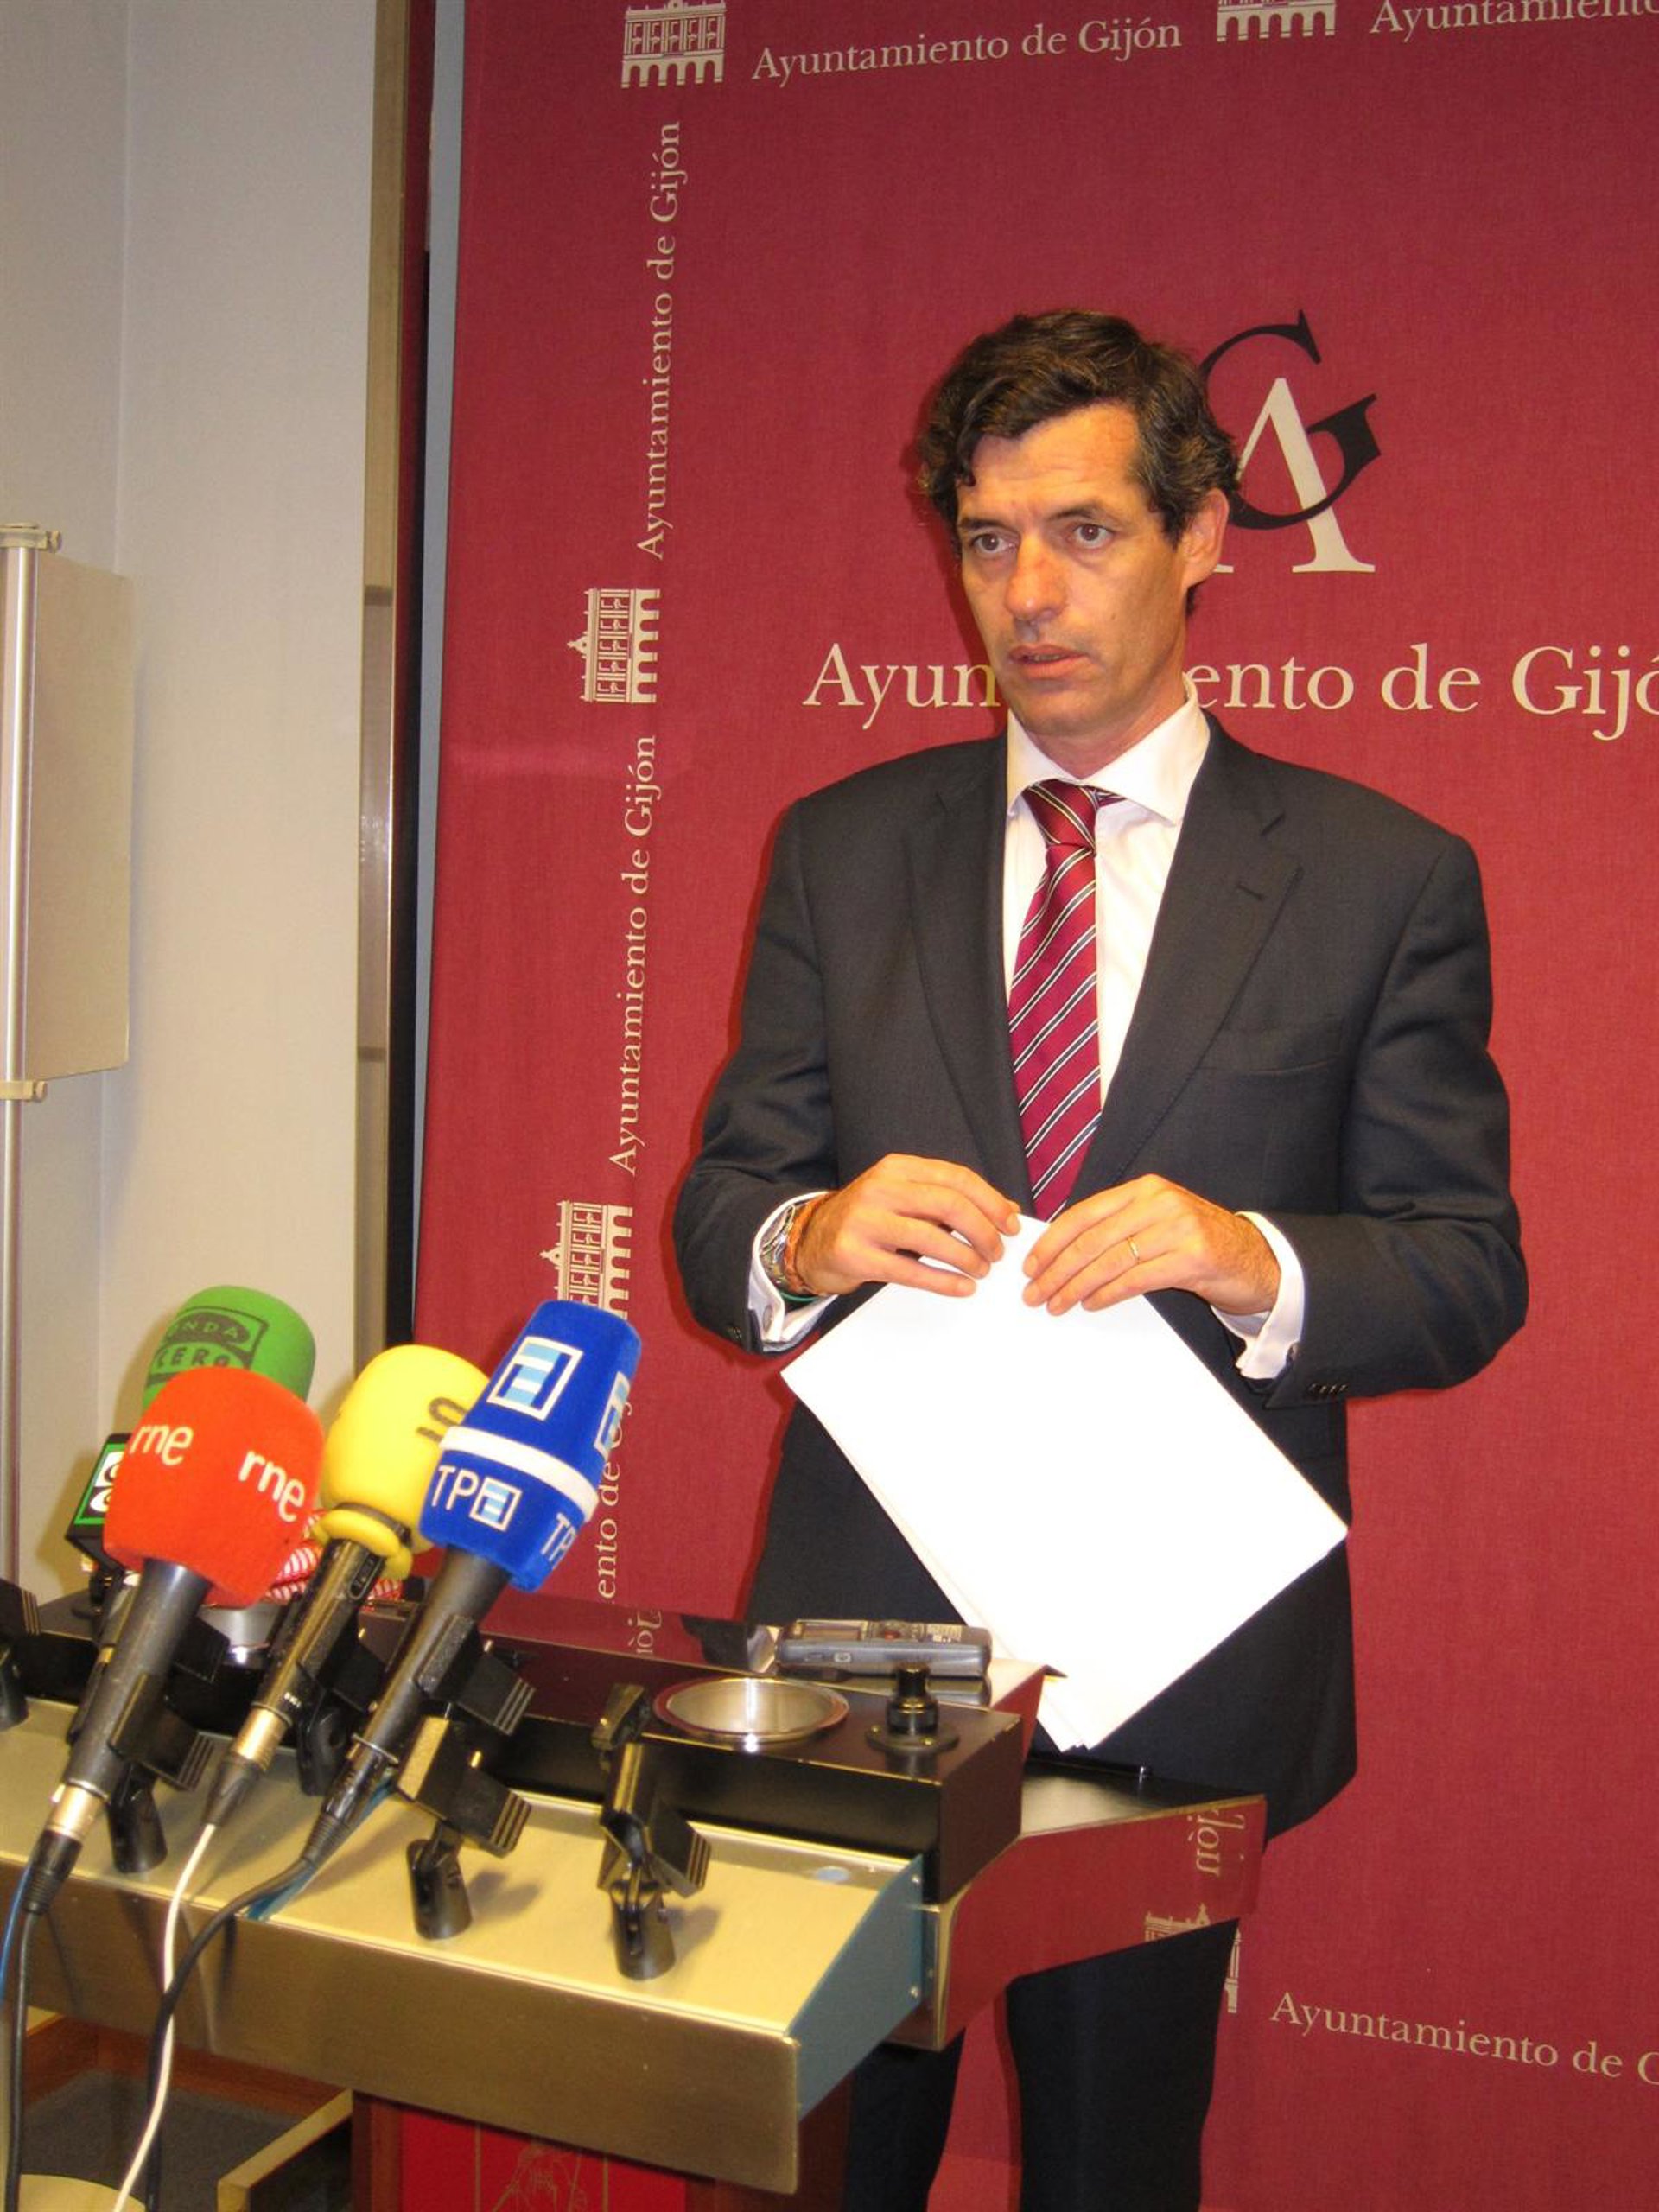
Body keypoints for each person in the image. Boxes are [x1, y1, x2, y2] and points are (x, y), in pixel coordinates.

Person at [672, 310, 1525, 2211]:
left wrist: (1250, 1255)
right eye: (989, 541)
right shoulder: (841, 849)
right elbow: (719, 1214)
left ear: (1203, 533)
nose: (1029, 594)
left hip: (1177, 1651)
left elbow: (1467, 1266)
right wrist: (806, 1232)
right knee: (828, 2170)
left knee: (1115, 2169)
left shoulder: (1380, 876)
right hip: (866, 1650)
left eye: (1084, 532)